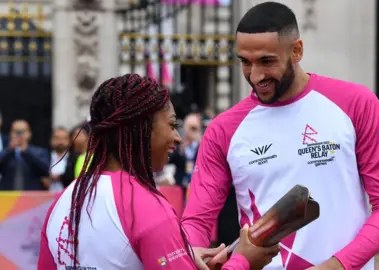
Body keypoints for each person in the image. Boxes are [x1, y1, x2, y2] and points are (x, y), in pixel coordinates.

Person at [182, 2, 379, 270]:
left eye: (266, 61)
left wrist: (334, 266)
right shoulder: (223, 129)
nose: (255, 75)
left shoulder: (356, 103)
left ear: (297, 50)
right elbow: (196, 220)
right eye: (245, 62)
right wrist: (194, 252)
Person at [37, 74, 279, 270]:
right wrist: (244, 261)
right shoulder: (144, 205)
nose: (176, 137)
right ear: (143, 129)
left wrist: (182, 255)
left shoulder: (63, 202)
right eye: (172, 124)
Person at [0, 119, 49, 190]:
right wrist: (9, 150)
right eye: (16, 131)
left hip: (32, 197)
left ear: (29, 134)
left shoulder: (40, 152)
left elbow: (46, 171)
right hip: (8, 197)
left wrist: (27, 152)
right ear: (10, 133)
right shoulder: (5, 152)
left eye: (23, 131)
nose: (19, 135)